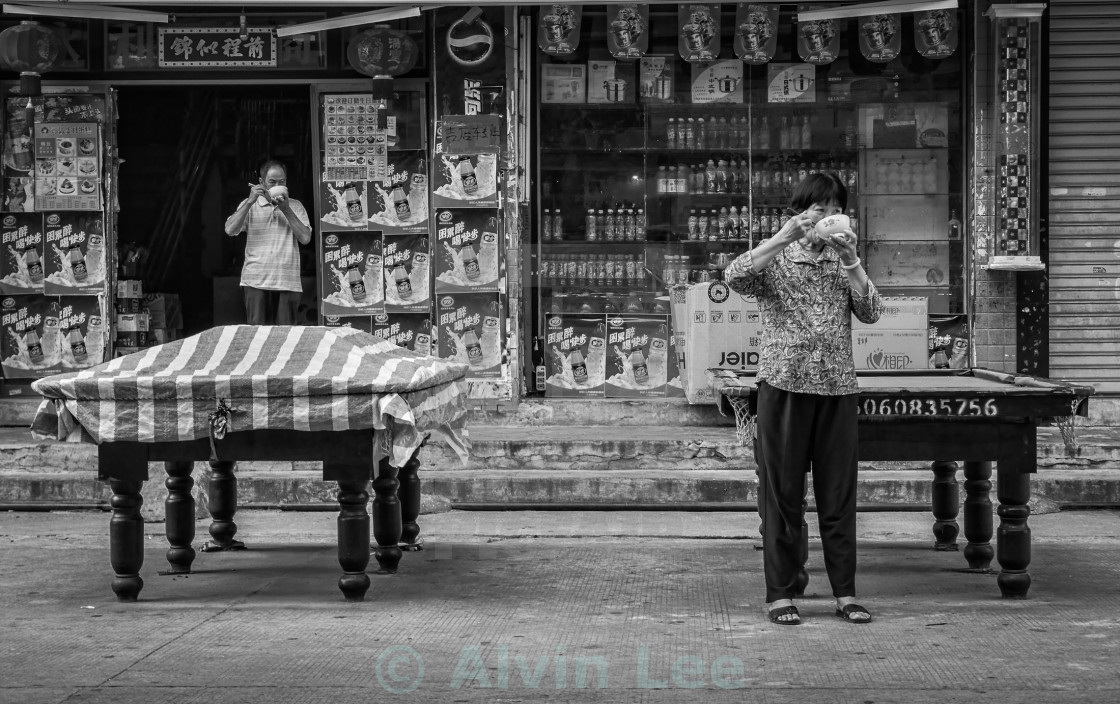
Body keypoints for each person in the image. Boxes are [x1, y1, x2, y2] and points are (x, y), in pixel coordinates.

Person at [724, 172, 883, 626]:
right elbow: (733, 277)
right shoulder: (777, 257)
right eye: (816, 207)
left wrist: (852, 260)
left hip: (837, 391)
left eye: (833, 206)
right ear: (800, 211)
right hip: (783, 388)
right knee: (782, 498)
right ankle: (780, 593)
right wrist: (781, 236)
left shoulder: (842, 259)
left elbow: (871, 313)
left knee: (838, 498)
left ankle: (845, 593)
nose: (824, 215)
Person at [224, 160, 312, 325]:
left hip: (287, 282)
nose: (278, 185)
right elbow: (230, 229)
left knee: (286, 338)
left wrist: (286, 209)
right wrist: (250, 201)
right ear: (261, 182)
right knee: (257, 337)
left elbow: (305, 238)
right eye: (272, 182)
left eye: (282, 182)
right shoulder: (249, 205)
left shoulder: (296, 206)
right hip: (255, 281)